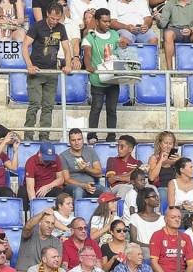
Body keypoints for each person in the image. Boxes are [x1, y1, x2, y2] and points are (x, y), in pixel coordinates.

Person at [23, 2, 76, 141]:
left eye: (57, 19)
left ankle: (44, 137)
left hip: (52, 72)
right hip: (36, 72)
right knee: (34, 105)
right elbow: (25, 46)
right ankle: (28, 137)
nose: (54, 21)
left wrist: (68, 64)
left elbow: (67, 48)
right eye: (52, 18)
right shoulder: (37, 26)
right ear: (47, 14)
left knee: (48, 106)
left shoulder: (61, 28)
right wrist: (29, 65)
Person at [83, 8, 123, 143]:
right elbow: (87, 53)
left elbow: (121, 50)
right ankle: (92, 136)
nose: (107, 24)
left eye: (109, 21)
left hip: (113, 79)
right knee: (96, 108)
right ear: (97, 21)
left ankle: (111, 137)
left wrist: (123, 45)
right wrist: (88, 65)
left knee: (112, 109)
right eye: (104, 21)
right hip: (98, 80)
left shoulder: (115, 34)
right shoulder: (90, 37)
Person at [149, 206, 193, 272]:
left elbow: (191, 263)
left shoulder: (186, 237)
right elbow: (154, 262)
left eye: (179, 217)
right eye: (173, 217)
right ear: (165, 220)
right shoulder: (157, 235)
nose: (177, 220)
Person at [156, 0, 193, 69]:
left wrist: (191, 30)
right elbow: (162, 25)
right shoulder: (170, 3)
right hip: (175, 31)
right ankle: (169, 70)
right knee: (168, 34)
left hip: (191, 31)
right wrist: (158, 19)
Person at [59, 128, 104, 199]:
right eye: (73, 140)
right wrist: (84, 185)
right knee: (78, 191)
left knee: (107, 191)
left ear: (83, 140)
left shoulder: (90, 151)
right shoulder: (63, 156)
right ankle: (78, 207)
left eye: (79, 139)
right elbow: (66, 180)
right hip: (74, 186)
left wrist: (86, 169)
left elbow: (99, 173)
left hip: (92, 185)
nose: (77, 143)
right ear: (69, 141)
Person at [20, 142, 65, 212]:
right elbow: (30, 188)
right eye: (46, 159)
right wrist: (35, 207)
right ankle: (26, 216)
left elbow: (61, 179)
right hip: (35, 189)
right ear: (39, 154)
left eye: (50, 159)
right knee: (22, 192)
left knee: (61, 195)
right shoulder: (31, 162)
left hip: (50, 188)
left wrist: (48, 187)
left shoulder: (56, 158)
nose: (48, 161)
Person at [17, 208, 62, 272]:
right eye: (47, 222)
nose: (50, 226)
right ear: (40, 223)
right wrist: (42, 213)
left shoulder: (56, 242)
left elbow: (57, 264)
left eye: (52, 224)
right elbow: (28, 226)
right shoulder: (29, 233)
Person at [129, 188, 165, 252]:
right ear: (146, 200)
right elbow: (133, 240)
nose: (157, 199)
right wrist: (150, 247)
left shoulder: (163, 219)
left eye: (157, 196)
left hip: (159, 251)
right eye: (154, 197)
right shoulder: (134, 217)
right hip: (142, 250)